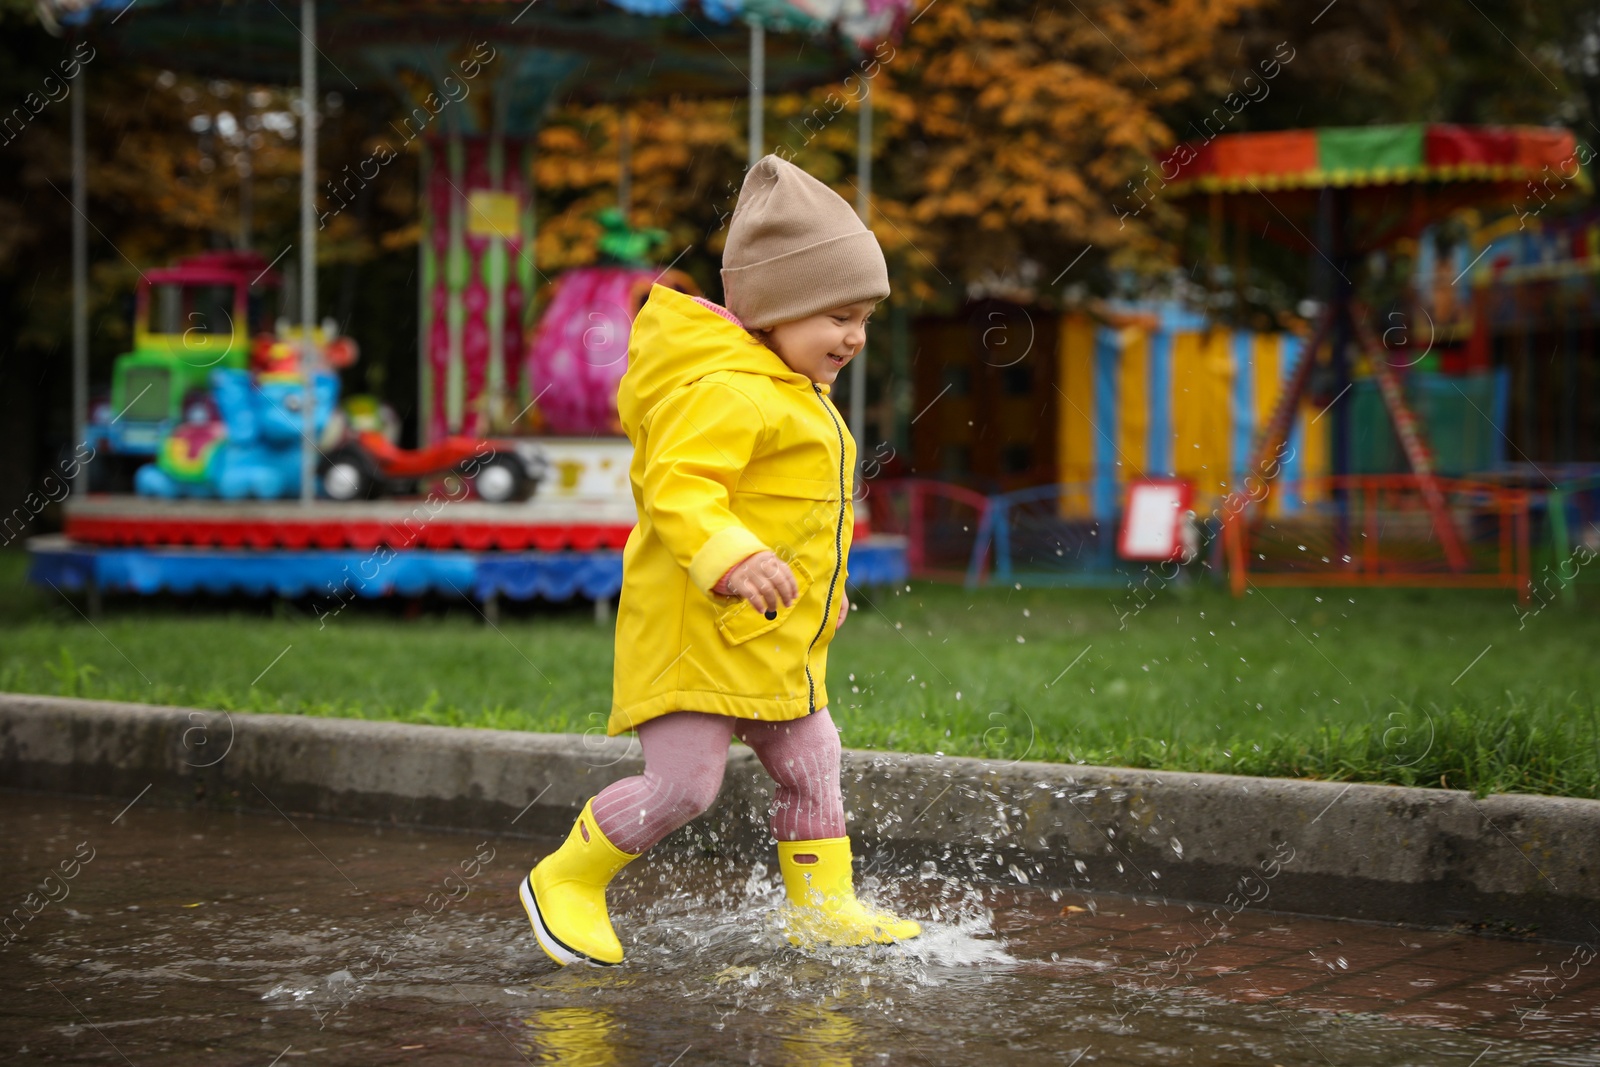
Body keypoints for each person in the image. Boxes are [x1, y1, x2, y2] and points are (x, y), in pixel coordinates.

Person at [518, 154, 921, 967]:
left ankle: (825, 905)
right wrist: (733, 558)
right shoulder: (729, 391)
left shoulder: (793, 391)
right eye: (838, 314)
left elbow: (808, 513)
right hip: (696, 627)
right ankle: (566, 879)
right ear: (777, 307)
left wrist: (823, 591)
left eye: (865, 318)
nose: (854, 336)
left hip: (771, 633)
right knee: (684, 788)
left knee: (814, 765)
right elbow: (679, 488)